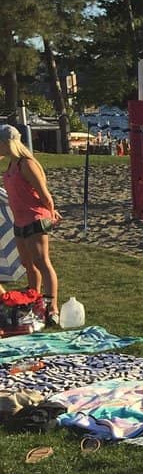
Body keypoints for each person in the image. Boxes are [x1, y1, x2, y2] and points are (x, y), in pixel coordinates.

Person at [0, 125, 61, 325]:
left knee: (42, 262)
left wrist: (51, 213)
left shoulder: (26, 164)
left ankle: (52, 308)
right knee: (28, 265)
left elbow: (44, 194)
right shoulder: (11, 164)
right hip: (19, 221)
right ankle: (34, 301)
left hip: (36, 218)